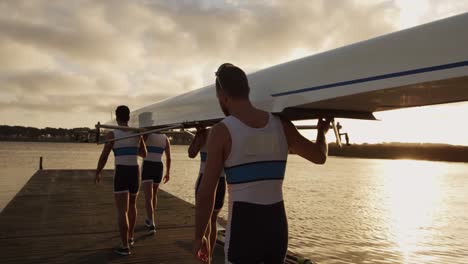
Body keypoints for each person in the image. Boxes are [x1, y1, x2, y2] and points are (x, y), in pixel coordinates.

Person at [193, 63, 330, 263]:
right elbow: (320, 156)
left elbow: (206, 192)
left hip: (244, 227)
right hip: (276, 226)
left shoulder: (222, 131)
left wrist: (199, 237)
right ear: (247, 90)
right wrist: (322, 132)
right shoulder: (282, 126)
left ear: (222, 95)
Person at [95, 105, 147, 256]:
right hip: (134, 172)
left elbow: (104, 155)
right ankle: (130, 237)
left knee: (121, 210)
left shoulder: (112, 134)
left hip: (122, 172)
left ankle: (125, 246)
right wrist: (138, 141)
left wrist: (98, 172)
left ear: (116, 118)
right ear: (128, 117)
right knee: (132, 206)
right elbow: (144, 154)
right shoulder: (136, 133)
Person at [188, 127, 226, 259]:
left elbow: (191, 153)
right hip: (219, 179)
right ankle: (207, 257)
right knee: (210, 221)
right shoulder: (223, 130)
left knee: (211, 220)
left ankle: (207, 257)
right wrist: (199, 135)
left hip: (210, 179)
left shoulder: (207, 132)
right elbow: (191, 153)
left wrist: (199, 136)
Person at [141, 132, 171, 233]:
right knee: (153, 195)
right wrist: (168, 172)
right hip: (159, 167)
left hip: (148, 165)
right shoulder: (165, 137)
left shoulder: (147, 134)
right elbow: (168, 157)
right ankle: (150, 218)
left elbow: (139, 149)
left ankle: (151, 223)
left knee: (148, 197)